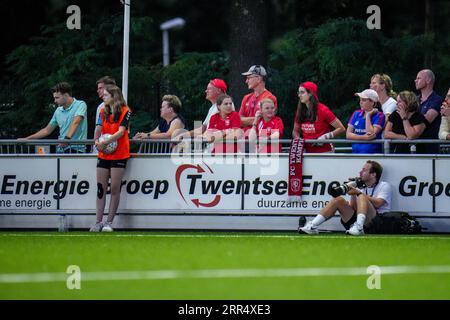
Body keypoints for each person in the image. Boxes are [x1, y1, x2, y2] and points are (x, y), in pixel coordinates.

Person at [299, 160, 392, 236]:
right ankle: (313, 226)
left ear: (373, 174)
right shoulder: (362, 187)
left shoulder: (384, 185)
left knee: (362, 196)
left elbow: (379, 203)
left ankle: (359, 227)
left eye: (364, 170)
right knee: (338, 200)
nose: (360, 172)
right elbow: (354, 207)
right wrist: (353, 192)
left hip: (376, 223)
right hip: (360, 221)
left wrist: (358, 193)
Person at [90, 85, 131, 232]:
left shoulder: (125, 111)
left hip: (119, 153)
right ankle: (98, 222)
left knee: (114, 188)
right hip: (104, 153)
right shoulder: (102, 111)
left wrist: (105, 142)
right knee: (101, 188)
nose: (103, 97)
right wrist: (97, 143)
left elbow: (121, 132)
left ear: (114, 96)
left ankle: (109, 222)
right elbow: (98, 130)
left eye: (106, 95)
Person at [18, 82, 87, 153]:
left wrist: (66, 139)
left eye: (57, 97)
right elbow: (47, 130)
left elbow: (76, 122)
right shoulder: (58, 110)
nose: (55, 101)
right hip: (61, 150)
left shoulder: (81, 104)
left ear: (66, 95)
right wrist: (27, 139)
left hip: (76, 150)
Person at [292, 81, 345, 153]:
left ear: (310, 93)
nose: (299, 95)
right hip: (307, 153)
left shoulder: (323, 110)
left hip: (325, 152)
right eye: (299, 92)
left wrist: (325, 137)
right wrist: (299, 142)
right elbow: (295, 131)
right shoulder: (300, 111)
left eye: (302, 92)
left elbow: (341, 128)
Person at [239, 65, 278, 132]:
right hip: (245, 138)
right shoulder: (246, 97)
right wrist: (256, 119)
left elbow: (265, 120)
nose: (246, 81)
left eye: (249, 78)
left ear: (259, 79)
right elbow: (238, 120)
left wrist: (245, 120)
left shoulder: (270, 98)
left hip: (261, 137)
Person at [347, 89, 385, 154]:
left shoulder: (380, 115)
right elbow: (348, 135)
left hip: (372, 155)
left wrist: (368, 115)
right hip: (355, 154)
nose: (360, 102)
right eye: (360, 100)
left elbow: (370, 134)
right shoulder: (356, 113)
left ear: (373, 102)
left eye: (364, 100)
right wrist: (364, 137)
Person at [415, 69, 443, 153]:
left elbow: (426, 120)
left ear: (428, 80)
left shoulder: (437, 100)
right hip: (414, 147)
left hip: (430, 149)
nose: (415, 80)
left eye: (419, 78)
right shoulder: (415, 100)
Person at [92, 76, 116, 153]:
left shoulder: (120, 107)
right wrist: (95, 144)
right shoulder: (101, 107)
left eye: (100, 88)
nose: (97, 90)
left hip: (115, 148)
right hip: (101, 148)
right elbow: (98, 128)